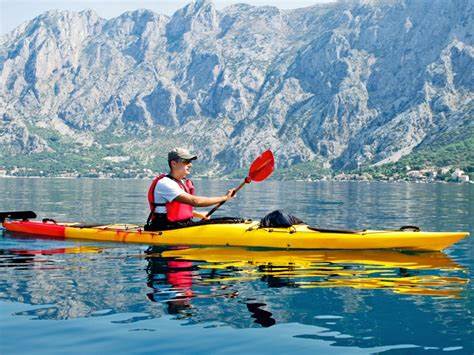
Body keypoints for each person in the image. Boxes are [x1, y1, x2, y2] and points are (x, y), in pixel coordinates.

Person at [145, 148, 235, 230]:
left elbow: (179, 208)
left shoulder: (182, 182)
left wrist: (197, 214)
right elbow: (195, 201)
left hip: (181, 225)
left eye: (190, 161)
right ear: (174, 163)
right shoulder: (165, 183)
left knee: (227, 220)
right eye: (186, 161)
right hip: (165, 227)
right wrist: (224, 198)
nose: (190, 164)